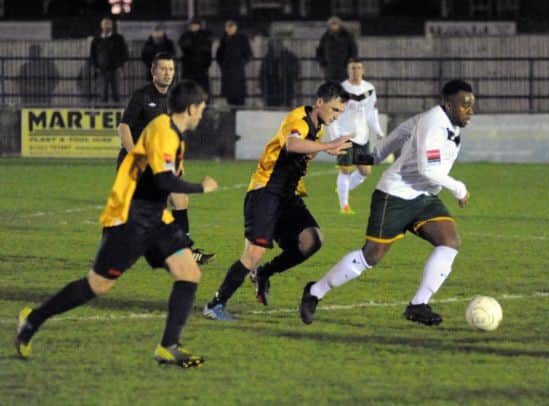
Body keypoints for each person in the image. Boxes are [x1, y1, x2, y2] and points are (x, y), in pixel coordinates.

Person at [15, 81, 217, 368]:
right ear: (191, 108)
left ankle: (168, 346)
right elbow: (163, 181)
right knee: (96, 286)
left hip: (155, 215)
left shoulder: (175, 134)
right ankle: (32, 320)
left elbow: (160, 182)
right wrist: (201, 187)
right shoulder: (163, 131)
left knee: (189, 272)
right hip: (129, 216)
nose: (202, 115)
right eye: (201, 109)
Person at [299, 79, 475, 326]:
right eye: (465, 106)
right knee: (370, 256)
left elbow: (402, 131)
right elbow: (426, 169)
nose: (470, 111)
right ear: (448, 105)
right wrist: (459, 188)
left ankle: (418, 305)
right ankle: (315, 291)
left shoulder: (443, 120)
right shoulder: (434, 124)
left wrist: (376, 154)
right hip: (395, 195)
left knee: (450, 241)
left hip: (423, 197)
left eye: (471, 105)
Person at [202, 81, 352, 321]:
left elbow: (306, 151)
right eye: (334, 110)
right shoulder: (298, 119)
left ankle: (263, 274)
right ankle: (215, 305)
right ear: (320, 103)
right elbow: (292, 144)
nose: (336, 116)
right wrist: (326, 147)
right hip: (266, 191)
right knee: (253, 253)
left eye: (340, 113)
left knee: (311, 240)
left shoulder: (318, 127)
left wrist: (324, 149)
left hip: (287, 196)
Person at [117, 52, 215, 265]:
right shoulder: (141, 96)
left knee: (180, 199)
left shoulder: (173, 100)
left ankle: (185, 251)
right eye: (163, 69)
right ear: (153, 72)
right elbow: (123, 127)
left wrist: (179, 163)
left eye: (170, 69)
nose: (167, 73)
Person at [330, 58, 384, 214]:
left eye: (358, 68)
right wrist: (336, 136)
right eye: (352, 68)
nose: (355, 71)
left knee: (365, 172)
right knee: (345, 169)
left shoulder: (369, 89)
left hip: (362, 136)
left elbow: (371, 113)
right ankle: (344, 205)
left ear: (363, 70)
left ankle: (342, 188)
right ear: (348, 70)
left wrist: (378, 131)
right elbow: (333, 113)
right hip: (344, 135)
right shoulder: (341, 89)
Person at [89, 17, 128, 103]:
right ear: (101, 26)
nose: (106, 26)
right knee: (103, 94)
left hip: (115, 69)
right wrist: (96, 67)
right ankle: (104, 112)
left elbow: (124, 53)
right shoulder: (96, 40)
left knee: (116, 94)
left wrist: (119, 65)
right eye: (105, 24)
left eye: (108, 24)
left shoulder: (118, 38)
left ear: (112, 26)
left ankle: (118, 113)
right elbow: (92, 55)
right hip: (102, 70)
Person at [215, 20, 252, 106]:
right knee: (230, 96)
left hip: (237, 70)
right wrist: (223, 64)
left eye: (231, 27)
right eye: (228, 27)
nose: (229, 29)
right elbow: (219, 55)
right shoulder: (224, 39)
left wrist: (241, 63)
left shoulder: (242, 38)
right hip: (228, 71)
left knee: (239, 95)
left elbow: (248, 54)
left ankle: (238, 111)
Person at [259, 38, 299, 107]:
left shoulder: (289, 57)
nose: (276, 46)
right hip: (273, 91)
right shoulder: (268, 58)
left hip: (284, 90)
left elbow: (295, 73)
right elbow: (263, 76)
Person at [316, 16, 358, 82]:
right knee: (331, 86)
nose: (334, 26)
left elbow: (353, 50)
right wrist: (323, 63)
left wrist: (350, 62)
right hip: (330, 68)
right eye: (332, 24)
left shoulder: (347, 36)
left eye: (336, 24)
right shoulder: (326, 37)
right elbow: (319, 51)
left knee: (344, 85)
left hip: (343, 68)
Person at [178, 17, 212, 96]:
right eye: (192, 25)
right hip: (188, 66)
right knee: (188, 87)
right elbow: (182, 46)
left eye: (195, 25)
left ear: (199, 26)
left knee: (201, 88)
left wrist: (206, 63)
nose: (193, 27)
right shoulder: (185, 35)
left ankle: (203, 103)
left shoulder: (204, 36)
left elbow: (207, 50)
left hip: (201, 66)